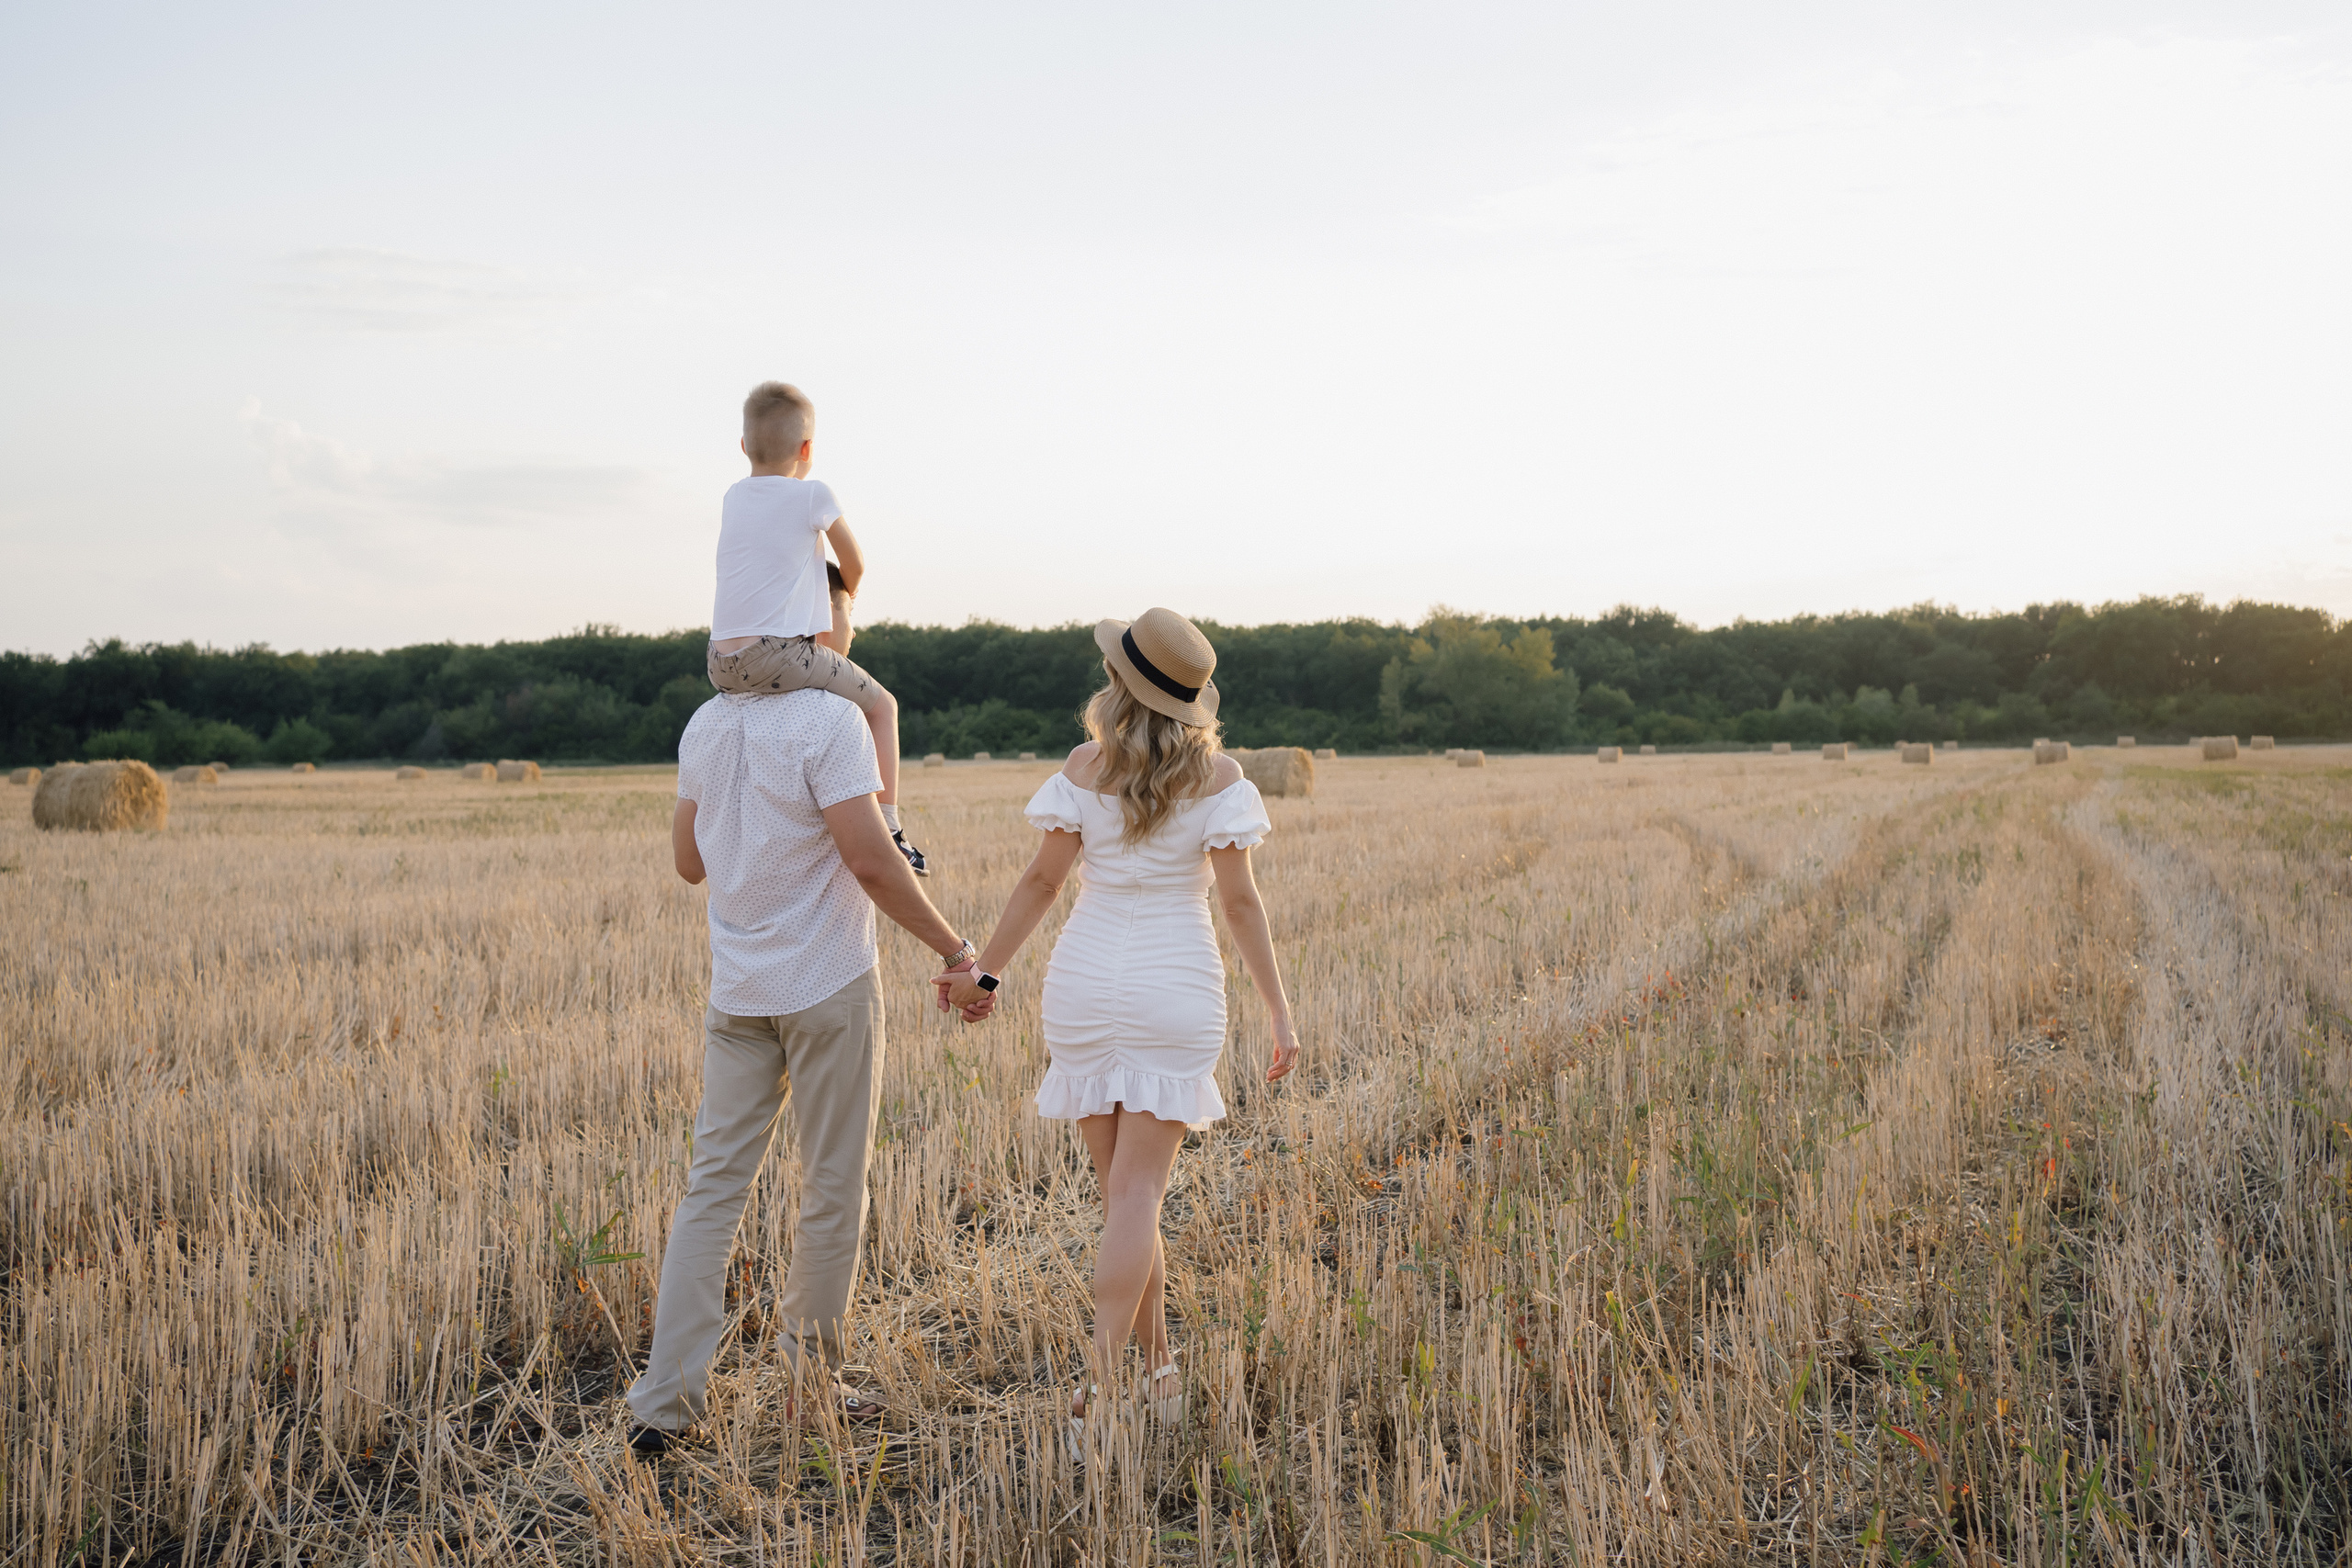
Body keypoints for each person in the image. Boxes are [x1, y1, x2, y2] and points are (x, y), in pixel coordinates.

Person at [933, 607, 1300, 1450]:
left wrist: (985, 970)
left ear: (1117, 684)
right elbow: (1240, 903)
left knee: (1122, 1199)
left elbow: (1039, 882)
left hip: (1086, 984)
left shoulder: (1083, 766)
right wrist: (1279, 1007)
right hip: (1175, 984)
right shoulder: (1220, 777)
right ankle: (1098, 1388)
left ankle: (1160, 1367)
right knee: (1137, 1198)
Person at [625, 676, 987, 1455]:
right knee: (832, 1186)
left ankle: (664, 1401)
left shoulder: (707, 720)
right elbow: (874, 861)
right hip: (828, 982)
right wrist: (958, 951)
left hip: (740, 991)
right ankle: (806, 1392)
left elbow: (689, 861)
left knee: (711, 1190)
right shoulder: (834, 718)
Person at [707, 380, 926, 875]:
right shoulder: (813, 493)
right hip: (778, 654)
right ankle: (891, 827)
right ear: (807, 449)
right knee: (883, 706)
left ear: (744, 447)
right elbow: (855, 561)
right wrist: (845, 595)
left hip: (719, 665)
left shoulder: (732, 497)